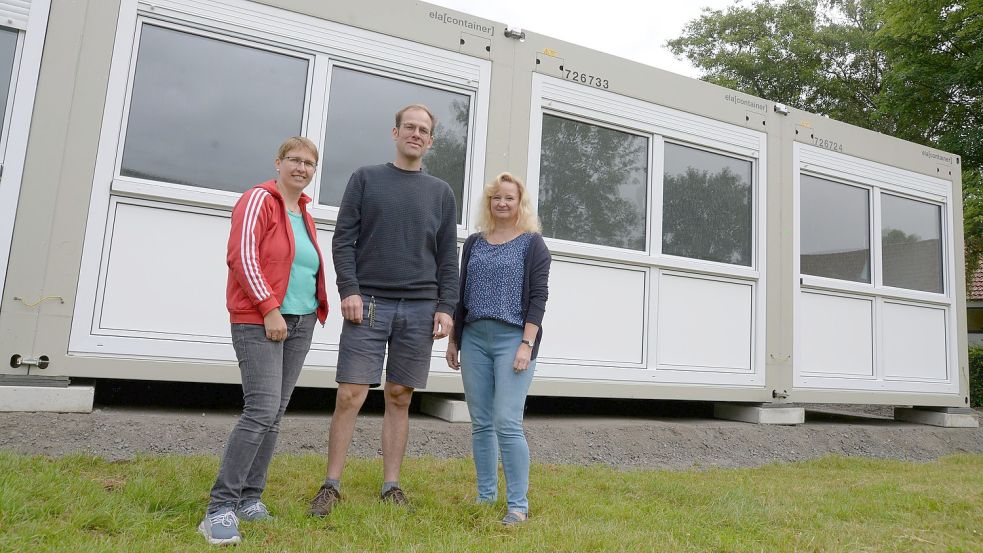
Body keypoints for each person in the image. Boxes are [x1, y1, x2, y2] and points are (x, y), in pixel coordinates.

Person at [308, 104, 459, 516]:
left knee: (399, 395)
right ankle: (331, 484)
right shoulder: (366, 179)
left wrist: (447, 306)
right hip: (368, 305)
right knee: (350, 394)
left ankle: (391, 485)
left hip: (420, 308)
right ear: (395, 133)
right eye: (408, 127)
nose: (415, 134)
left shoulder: (441, 193)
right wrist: (349, 290)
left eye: (423, 130)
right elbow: (343, 240)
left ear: (430, 140)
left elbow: (448, 256)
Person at [198, 136, 329, 546]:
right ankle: (220, 507)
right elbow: (242, 256)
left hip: (300, 320)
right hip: (260, 319)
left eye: (309, 163)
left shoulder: (303, 211)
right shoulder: (259, 199)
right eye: (294, 160)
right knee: (260, 410)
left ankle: (250, 498)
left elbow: (303, 265)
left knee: (275, 414)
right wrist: (270, 308)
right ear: (278, 163)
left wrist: (310, 309)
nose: (302, 168)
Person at [445, 172, 551, 526]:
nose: (502, 203)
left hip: (513, 339)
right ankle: (485, 495)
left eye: (509, 198)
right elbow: (462, 294)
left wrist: (527, 343)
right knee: (481, 423)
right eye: (496, 198)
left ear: (520, 204)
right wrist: (454, 339)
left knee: (506, 422)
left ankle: (517, 504)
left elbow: (538, 298)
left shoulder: (533, 244)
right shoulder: (474, 243)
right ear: (489, 203)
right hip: (474, 337)